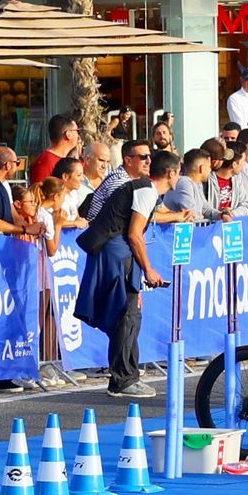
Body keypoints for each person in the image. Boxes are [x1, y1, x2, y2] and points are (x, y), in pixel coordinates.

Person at [75, 149, 179, 398]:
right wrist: (148, 270)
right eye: (179, 172)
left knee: (130, 315)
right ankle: (122, 380)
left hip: (118, 254)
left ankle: (127, 376)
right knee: (127, 316)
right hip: (116, 255)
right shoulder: (146, 191)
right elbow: (134, 234)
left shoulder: (145, 190)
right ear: (170, 173)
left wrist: (139, 279)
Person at [0, 146, 39, 237]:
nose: (17, 167)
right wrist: (24, 230)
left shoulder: (4, 184)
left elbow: (14, 216)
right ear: (8, 165)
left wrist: (32, 228)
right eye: (17, 163)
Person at [30, 114, 81, 184]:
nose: (78, 135)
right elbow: (38, 190)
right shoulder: (45, 163)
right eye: (77, 131)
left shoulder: (65, 160)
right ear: (68, 134)